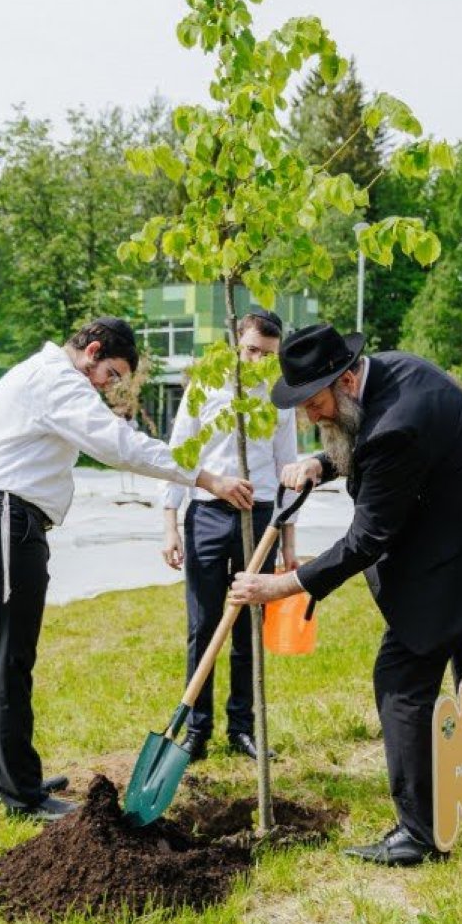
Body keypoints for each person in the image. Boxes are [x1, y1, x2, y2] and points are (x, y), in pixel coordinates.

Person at [230, 323, 462, 865]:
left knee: (401, 679)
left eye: (315, 403)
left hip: (453, 559)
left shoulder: (398, 425)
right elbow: (367, 448)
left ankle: (419, 834)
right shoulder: (393, 371)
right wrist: (322, 463)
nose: (310, 417)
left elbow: (367, 538)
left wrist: (282, 585)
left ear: (345, 380)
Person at [0, 317, 253, 822]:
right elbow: (119, 446)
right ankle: (19, 796)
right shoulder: (59, 381)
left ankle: (9, 781)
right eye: (111, 374)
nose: (108, 387)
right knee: (8, 660)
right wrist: (205, 478)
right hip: (3, 519)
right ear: (92, 351)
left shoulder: (37, 373)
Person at [162, 309, 298, 762]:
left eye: (268, 355)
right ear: (236, 343)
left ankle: (242, 727)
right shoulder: (206, 386)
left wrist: (289, 543)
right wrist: (170, 523)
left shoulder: (279, 398)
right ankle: (196, 730)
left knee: (247, 628)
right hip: (206, 515)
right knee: (202, 626)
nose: (259, 361)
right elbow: (179, 455)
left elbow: (288, 471)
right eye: (252, 350)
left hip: (258, 520)